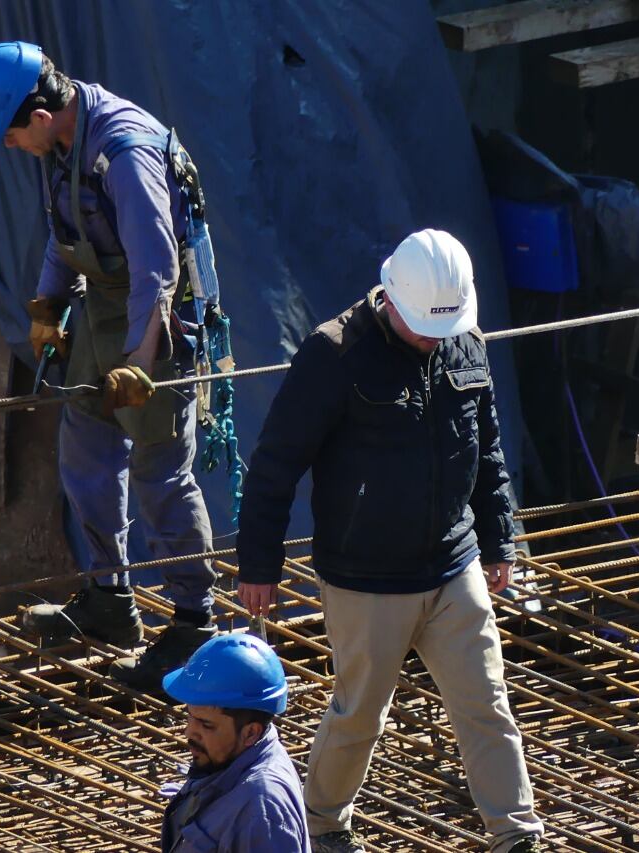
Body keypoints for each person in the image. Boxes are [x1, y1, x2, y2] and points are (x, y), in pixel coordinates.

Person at [233, 230, 546, 853]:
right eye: (426, 326)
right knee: (359, 715)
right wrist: (259, 563)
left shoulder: (464, 341)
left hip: (452, 565)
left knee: (486, 703)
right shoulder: (334, 353)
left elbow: (486, 451)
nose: (436, 338)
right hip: (366, 578)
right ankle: (320, 824)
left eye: (446, 325)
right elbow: (275, 462)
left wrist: (498, 539)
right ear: (392, 301)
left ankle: (517, 835)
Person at [0, 41, 218, 689]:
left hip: (157, 321)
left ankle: (194, 621)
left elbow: (157, 271)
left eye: (12, 134)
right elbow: (63, 229)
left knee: (161, 473)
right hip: (102, 307)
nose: (11, 146)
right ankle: (109, 600)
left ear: (40, 115)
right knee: (86, 457)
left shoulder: (124, 154)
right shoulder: (62, 146)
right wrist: (47, 302)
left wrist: (139, 363)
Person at [160, 633, 310, 852]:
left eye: (206, 725)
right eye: (190, 717)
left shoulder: (262, 809)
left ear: (250, 733)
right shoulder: (230, 762)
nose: (189, 732)